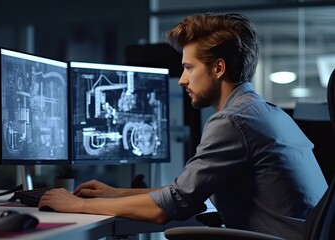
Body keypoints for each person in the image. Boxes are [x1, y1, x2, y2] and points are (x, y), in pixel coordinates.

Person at [39, 13, 328, 239]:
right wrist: (115, 193)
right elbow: (184, 191)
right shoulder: (267, 113)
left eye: (189, 68)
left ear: (218, 68)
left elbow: (170, 206)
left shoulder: (233, 121)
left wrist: (78, 206)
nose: (181, 80)